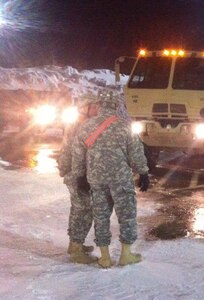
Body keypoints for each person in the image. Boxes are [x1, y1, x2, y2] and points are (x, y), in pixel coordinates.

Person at [72, 90, 150, 268]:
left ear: (99, 104)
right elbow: (136, 153)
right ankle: (126, 254)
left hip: (96, 179)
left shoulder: (86, 126)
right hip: (120, 179)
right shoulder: (124, 126)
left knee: (100, 216)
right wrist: (143, 173)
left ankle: (105, 257)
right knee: (127, 215)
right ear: (116, 105)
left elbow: (77, 155)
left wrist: (80, 176)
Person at [57, 93, 100, 264]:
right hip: (78, 174)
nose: (97, 109)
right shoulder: (80, 126)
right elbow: (76, 154)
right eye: (93, 106)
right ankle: (76, 248)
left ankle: (74, 244)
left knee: (78, 208)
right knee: (84, 209)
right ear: (85, 108)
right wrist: (81, 176)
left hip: (78, 173)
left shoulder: (82, 123)